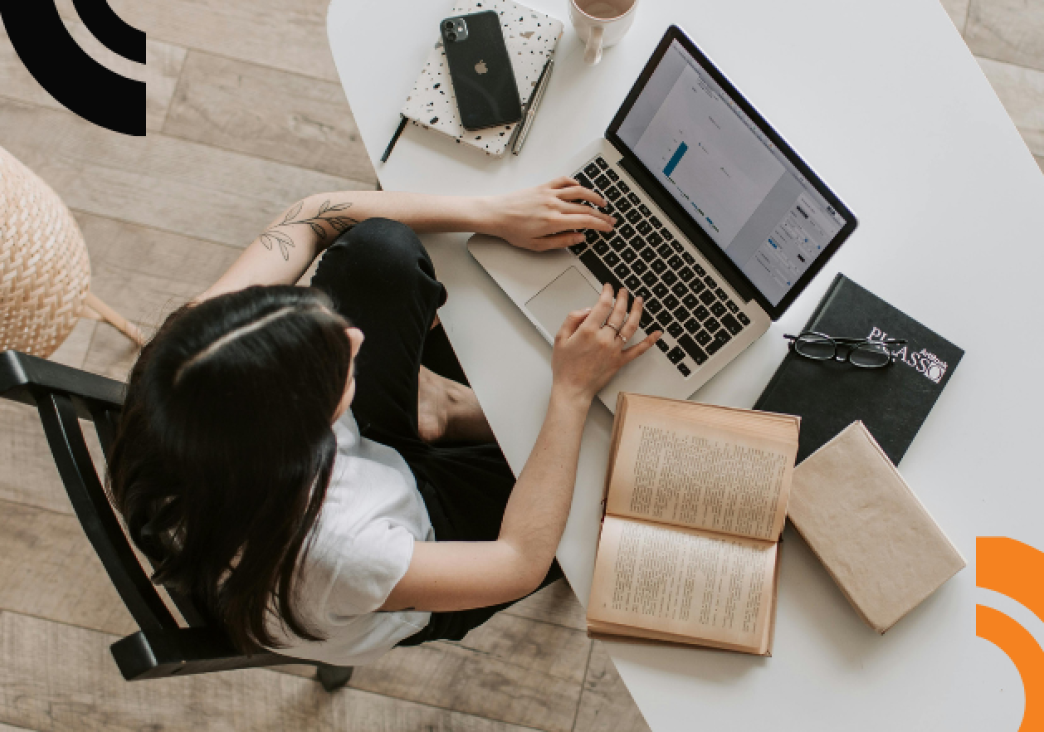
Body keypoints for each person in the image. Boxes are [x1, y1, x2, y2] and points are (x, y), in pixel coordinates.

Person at [106, 177, 661, 666]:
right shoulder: (343, 552)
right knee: (619, 478)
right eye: (335, 368)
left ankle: (438, 410)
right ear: (307, 436)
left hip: (340, 476)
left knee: (377, 249)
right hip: (421, 545)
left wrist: (492, 212)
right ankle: (446, 411)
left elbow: (308, 218)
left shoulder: (193, 357)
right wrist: (569, 392)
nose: (353, 337)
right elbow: (517, 561)